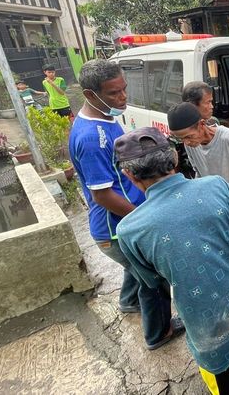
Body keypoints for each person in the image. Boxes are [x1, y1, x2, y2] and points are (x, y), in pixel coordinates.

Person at [115, 127, 229, 395]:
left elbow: (152, 281)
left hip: (206, 325)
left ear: (128, 174)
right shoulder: (217, 185)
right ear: (174, 158)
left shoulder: (129, 229)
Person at [69, 60, 181, 350]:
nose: (122, 98)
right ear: (90, 94)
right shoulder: (92, 137)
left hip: (122, 224)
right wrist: (144, 218)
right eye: (113, 93)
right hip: (115, 229)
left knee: (136, 268)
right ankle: (159, 334)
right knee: (154, 279)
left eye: (124, 89)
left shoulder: (104, 119)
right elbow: (102, 195)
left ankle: (129, 302)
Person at [167, 102, 229, 196]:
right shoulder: (190, 145)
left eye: (189, 136)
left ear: (201, 124)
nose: (186, 142)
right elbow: (199, 172)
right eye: (181, 139)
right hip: (216, 201)